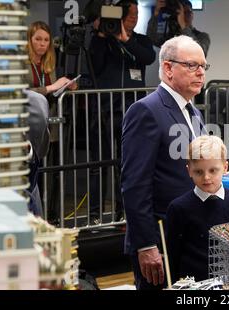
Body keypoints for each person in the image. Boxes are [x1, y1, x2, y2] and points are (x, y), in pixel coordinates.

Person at [121, 35, 208, 290]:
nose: (200, 72)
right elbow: (135, 184)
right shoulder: (146, 110)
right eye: (192, 65)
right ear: (168, 68)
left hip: (190, 234)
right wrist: (146, 244)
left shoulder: (193, 110)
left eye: (204, 66)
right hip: (160, 237)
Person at [88, 0, 156, 223]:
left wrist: (125, 39)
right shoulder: (102, 40)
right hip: (104, 110)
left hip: (132, 112)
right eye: (129, 15)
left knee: (128, 164)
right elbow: (94, 66)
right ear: (118, 17)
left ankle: (124, 212)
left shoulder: (140, 41)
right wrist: (101, 36)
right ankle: (95, 215)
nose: (133, 19)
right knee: (100, 164)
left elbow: (148, 57)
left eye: (136, 15)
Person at [166, 135, 229, 282]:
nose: (206, 177)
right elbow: (173, 255)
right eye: (199, 172)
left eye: (213, 170)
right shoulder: (178, 208)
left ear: (225, 167)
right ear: (189, 171)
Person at [27, 21, 78, 222]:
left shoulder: (49, 64)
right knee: (30, 179)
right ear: (29, 40)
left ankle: (48, 218)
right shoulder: (21, 64)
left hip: (49, 126)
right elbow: (20, 94)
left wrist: (66, 86)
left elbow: (52, 90)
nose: (42, 44)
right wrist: (49, 89)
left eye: (46, 40)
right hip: (27, 129)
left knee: (46, 176)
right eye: (38, 39)